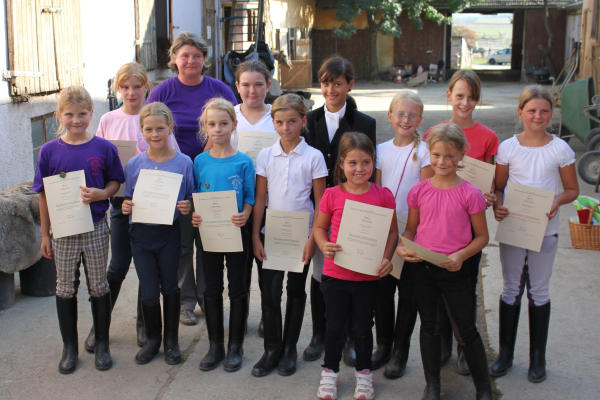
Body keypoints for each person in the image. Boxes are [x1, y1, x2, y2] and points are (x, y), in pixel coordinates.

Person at [85, 61, 180, 354]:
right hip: (120, 200)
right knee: (117, 266)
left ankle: (144, 324)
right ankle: (100, 325)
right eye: (125, 87)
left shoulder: (155, 117)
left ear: (145, 87)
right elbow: (97, 160)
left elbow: (174, 157)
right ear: (118, 89)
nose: (131, 92)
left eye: (137, 86)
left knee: (147, 268)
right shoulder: (108, 119)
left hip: (153, 204)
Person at [147, 31, 237, 326]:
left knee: (208, 241)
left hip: (212, 174)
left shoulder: (219, 89)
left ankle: (207, 298)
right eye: (184, 55)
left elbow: (233, 125)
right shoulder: (162, 92)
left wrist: (207, 155)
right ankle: (186, 302)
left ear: (204, 59)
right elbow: (149, 128)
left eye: (196, 55)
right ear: (174, 58)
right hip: (175, 179)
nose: (190, 61)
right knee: (183, 244)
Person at [397, 123, 493, 400]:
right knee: (429, 326)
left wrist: (461, 256)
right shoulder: (419, 191)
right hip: (423, 268)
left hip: (455, 270)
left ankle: (483, 387)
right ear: (430, 154)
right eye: (436, 155)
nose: (442, 162)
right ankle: (432, 386)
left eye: (449, 156)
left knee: (466, 329)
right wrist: (403, 248)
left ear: (461, 155)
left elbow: (482, 236)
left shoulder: (470, 194)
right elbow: (411, 230)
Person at [33, 86, 124, 373]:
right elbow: (43, 194)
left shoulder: (104, 148)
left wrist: (102, 194)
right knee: (65, 287)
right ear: (59, 115)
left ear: (91, 113)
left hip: (95, 227)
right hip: (63, 231)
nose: (76, 120)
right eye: (70, 114)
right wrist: (45, 234)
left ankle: (102, 344)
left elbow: (115, 181)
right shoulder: (49, 151)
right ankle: (69, 348)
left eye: (82, 114)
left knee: (99, 285)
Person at [491, 85, 578, 383]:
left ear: (552, 113)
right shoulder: (508, 148)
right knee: (511, 288)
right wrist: (498, 206)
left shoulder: (560, 149)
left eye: (544, 111)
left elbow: (572, 189)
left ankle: (537, 358)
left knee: (539, 290)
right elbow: (498, 187)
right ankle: (505, 354)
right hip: (515, 228)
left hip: (545, 230)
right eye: (531, 111)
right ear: (520, 113)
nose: (537, 116)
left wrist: (556, 201)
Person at [303, 56, 376, 366]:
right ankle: (320, 334)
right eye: (325, 83)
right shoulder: (309, 120)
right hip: (319, 204)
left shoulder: (365, 123)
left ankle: (348, 337)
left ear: (349, 85)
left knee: (349, 272)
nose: (331, 90)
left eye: (337, 83)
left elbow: (369, 167)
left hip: (352, 207)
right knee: (321, 272)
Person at [425, 70, 499, 374]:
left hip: (469, 230)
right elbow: (427, 180)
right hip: (439, 227)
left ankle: (464, 345)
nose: (465, 102)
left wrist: (490, 196)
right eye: (459, 96)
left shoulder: (488, 137)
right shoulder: (434, 132)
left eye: (471, 97)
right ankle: (442, 342)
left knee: (465, 290)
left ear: (477, 100)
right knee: (438, 289)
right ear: (449, 96)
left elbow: (490, 182)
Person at [315, 132, 398, 400]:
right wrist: (324, 244)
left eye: (365, 162)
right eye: (352, 163)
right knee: (334, 326)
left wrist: (387, 257)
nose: (359, 169)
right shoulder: (331, 195)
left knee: (363, 327)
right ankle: (330, 372)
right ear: (341, 163)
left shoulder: (383, 196)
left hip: (367, 276)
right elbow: (319, 228)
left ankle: (364, 374)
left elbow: (392, 233)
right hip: (336, 274)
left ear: (373, 163)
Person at [251, 94, 327, 377]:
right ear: (273, 123)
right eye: (280, 122)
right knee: (270, 293)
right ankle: (272, 348)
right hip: (271, 234)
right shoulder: (265, 156)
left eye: (292, 121)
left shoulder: (313, 157)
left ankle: (289, 349)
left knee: (295, 291)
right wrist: (255, 236)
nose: (286, 128)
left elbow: (320, 203)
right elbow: (261, 198)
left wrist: (312, 239)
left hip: (301, 236)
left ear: (303, 121)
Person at [121, 102, 194, 365]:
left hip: (168, 234)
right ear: (141, 130)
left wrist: (187, 206)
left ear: (170, 127)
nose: (155, 134)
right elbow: (128, 197)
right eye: (149, 129)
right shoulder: (134, 164)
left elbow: (190, 197)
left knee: (171, 287)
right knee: (149, 291)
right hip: (141, 235)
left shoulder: (183, 162)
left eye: (160, 128)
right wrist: (126, 205)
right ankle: (153, 339)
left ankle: (171, 342)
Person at [191, 98, 255, 372]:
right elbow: (196, 195)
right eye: (212, 124)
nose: (218, 129)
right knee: (211, 288)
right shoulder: (199, 161)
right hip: (208, 234)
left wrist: (246, 213)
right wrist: (195, 214)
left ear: (234, 125)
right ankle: (215, 345)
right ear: (205, 127)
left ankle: (235, 346)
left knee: (238, 287)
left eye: (223, 123)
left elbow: (250, 196)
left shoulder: (244, 161)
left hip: (237, 231)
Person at [374, 92, 432, 378]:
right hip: (385, 231)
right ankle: (383, 345)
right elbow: (376, 191)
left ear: (420, 119)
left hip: (413, 230)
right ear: (390, 116)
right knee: (382, 291)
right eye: (400, 114)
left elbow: (426, 195)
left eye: (412, 115)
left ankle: (400, 351)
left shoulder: (425, 152)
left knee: (408, 294)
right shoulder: (381, 150)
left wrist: (414, 231)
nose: (405, 120)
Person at [231, 59, 277, 337]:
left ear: (268, 85)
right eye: (246, 84)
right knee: (240, 267)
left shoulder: (276, 117)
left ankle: (268, 317)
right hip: (236, 206)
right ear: (237, 86)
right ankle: (242, 314)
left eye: (258, 84)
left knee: (266, 266)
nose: (252, 90)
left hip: (270, 203)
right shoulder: (230, 115)